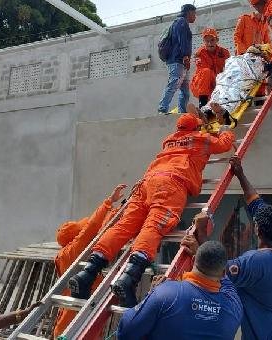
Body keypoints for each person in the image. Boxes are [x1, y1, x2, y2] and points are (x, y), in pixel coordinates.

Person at [69, 113, 235, 307]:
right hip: (170, 184)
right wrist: (227, 130)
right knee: (153, 227)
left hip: (146, 184)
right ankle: (129, 278)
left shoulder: (169, 140)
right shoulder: (200, 139)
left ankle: (86, 273)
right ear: (195, 128)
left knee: (123, 227)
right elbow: (223, 144)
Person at [182, 156, 272, 340]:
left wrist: (199, 244)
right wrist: (240, 174)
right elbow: (256, 203)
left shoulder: (256, 262)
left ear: (257, 230)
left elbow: (215, 270)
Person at [116, 214, 242, 340]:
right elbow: (224, 280)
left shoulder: (165, 293)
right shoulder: (234, 304)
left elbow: (125, 332)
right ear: (224, 271)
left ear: (193, 260)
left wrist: (151, 295)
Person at [52, 184, 127, 338]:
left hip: (71, 319)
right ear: (75, 236)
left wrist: (119, 209)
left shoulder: (63, 254)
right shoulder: (75, 249)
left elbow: (100, 226)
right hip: (76, 324)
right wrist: (109, 202)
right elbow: (93, 226)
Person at [158, 4, 197, 114]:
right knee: (174, 84)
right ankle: (162, 108)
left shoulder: (179, 22)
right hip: (177, 60)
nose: (195, 17)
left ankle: (182, 112)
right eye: (194, 14)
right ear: (189, 13)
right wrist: (185, 56)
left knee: (185, 91)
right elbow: (182, 40)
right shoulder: (181, 22)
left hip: (180, 61)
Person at [190, 27, 231, 108]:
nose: (209, 43)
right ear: (204, 42)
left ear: (217, 40)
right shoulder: (200, 53)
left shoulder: (225, 52)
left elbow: (229, 70)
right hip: (202, 84)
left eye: (212, 40)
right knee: (206, 71)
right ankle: (203, 105)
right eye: (207, 41)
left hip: (220, 83)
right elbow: (205, 76)